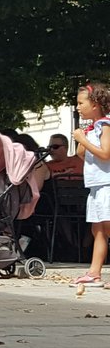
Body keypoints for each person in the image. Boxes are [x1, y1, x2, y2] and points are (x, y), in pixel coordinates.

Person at [71, 83, 110, 288]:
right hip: (96, 184)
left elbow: (105, 153)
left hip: (107, 183)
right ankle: (94, 272)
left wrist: (83, 140)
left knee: (107, 226)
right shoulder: (93, 127)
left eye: (80, 103)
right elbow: (81, 154)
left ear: (95, 104)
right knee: (98, 229)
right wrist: (82, 140)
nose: (77, 107)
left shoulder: (105, 125)